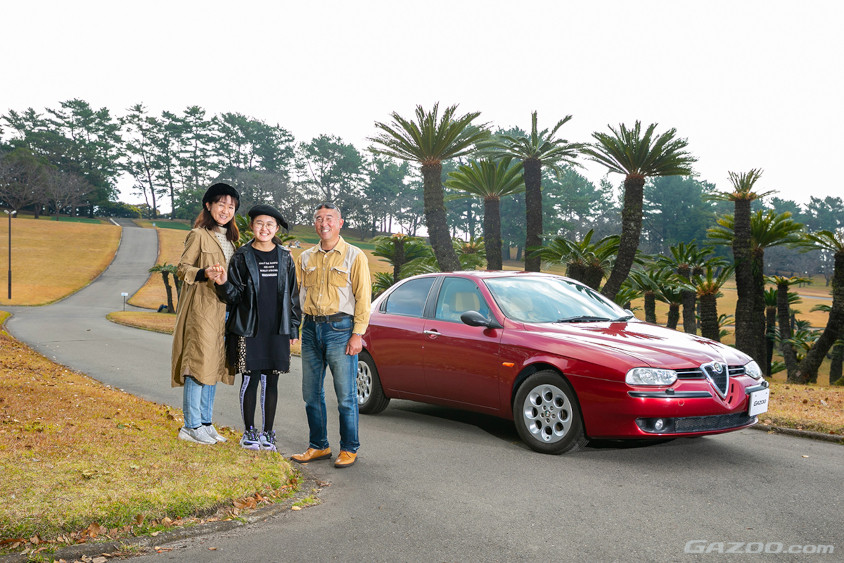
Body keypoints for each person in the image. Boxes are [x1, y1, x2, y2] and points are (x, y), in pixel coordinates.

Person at [213, 204, 301, 452]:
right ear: (252, 226)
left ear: (275, 229)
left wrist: (293, 328)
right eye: (260, 223)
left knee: (271, 381)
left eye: (270, 224)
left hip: (276, 330)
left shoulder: (285, 257)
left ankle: (268, 433)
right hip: (248, 329)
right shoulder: (241, 256)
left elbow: (293, 296)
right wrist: (222, 283)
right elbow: (233, 296)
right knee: (250, 380)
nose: (264, 228)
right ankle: (249, 432)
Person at [292, 202, 371, 468]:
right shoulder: (305, 258)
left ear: (340, 222)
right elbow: (295, 297)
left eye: (329, 218)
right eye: (318, 218)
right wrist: (295, 327)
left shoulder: (354, 256)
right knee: (310, 394)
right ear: (314, 224)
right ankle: (319, 445)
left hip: (341, 330)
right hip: (311, 329)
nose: (323, 223)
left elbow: (363, 298)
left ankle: (349, 448)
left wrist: (357, 334)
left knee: (346, 396)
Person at [171, 182, 240, 445]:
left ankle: (206, 423)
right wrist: (203, 273)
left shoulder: (232, 240)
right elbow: (182, 268)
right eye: (221, 204)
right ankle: (190, 426)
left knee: (214, 365)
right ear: (209, 205)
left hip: (224, 311)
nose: (225, 210)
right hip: (201, 310)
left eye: (231, 206)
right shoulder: (198, 235)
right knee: (198, 366)